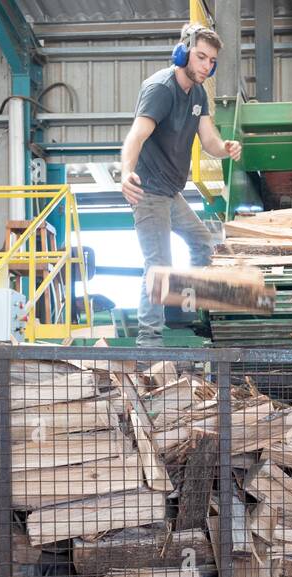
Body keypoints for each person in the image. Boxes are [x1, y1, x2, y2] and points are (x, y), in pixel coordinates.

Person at [121, 22, 242, 346]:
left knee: (203, 243)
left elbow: (209, 140)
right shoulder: (160, 89)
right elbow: (136, 135)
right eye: (201, 57)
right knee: (159, 266)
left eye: (211, 61)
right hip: (148, 193)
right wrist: (125, 173)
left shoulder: (198, 93)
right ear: (183, 52)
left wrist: (226, 148)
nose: (206, 66)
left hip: (172, 194)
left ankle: (190, 308)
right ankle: (150, 342)